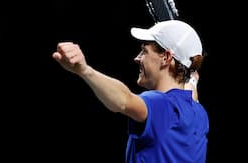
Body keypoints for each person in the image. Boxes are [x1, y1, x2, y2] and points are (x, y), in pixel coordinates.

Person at [52, 19, 209, 163]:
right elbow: (191, 91)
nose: (137, 58)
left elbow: (124, 100)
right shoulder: (199, 113)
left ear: (166, 57)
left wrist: (85, 70)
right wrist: (191, 77)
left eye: (144, 51)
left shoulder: (161, 105)